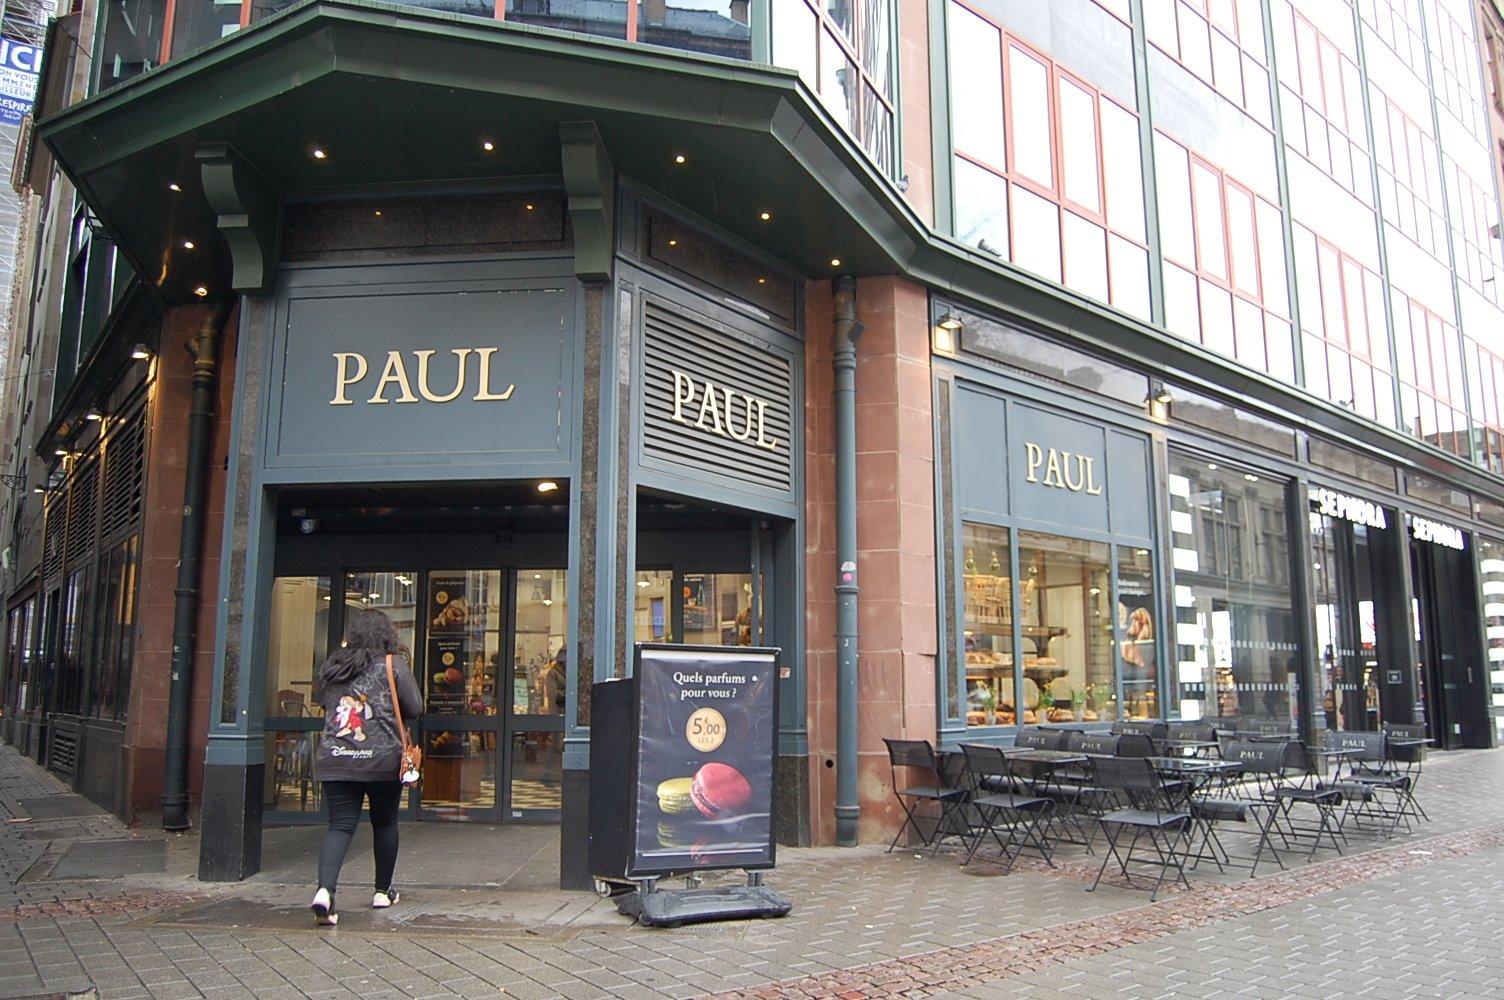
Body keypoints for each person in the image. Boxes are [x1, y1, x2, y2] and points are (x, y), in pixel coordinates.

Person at [308, 608, 422, 926]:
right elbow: (415, 707)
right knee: (384, 823)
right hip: (382, 760)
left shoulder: (332, 667)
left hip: (336, 758)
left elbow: (323, 702)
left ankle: (324, 892)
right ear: (387, 634)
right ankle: (383, 891)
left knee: (340, 826)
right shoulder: (392, 665)